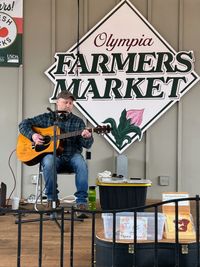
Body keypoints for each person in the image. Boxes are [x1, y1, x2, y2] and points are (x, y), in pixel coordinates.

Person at [19, 90, 94, 218]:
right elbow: (23, 124)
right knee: (48, 161)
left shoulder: (78, 122)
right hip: (54, 158)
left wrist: (87, 137)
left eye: (71, 103)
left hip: (72, 157)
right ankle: (52, 200)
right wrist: (33, 135)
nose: (68, 105)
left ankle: (81, 202)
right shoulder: (47, 118)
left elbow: (87, 145)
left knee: (81, 163)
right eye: (65, 102)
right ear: (57, 102)